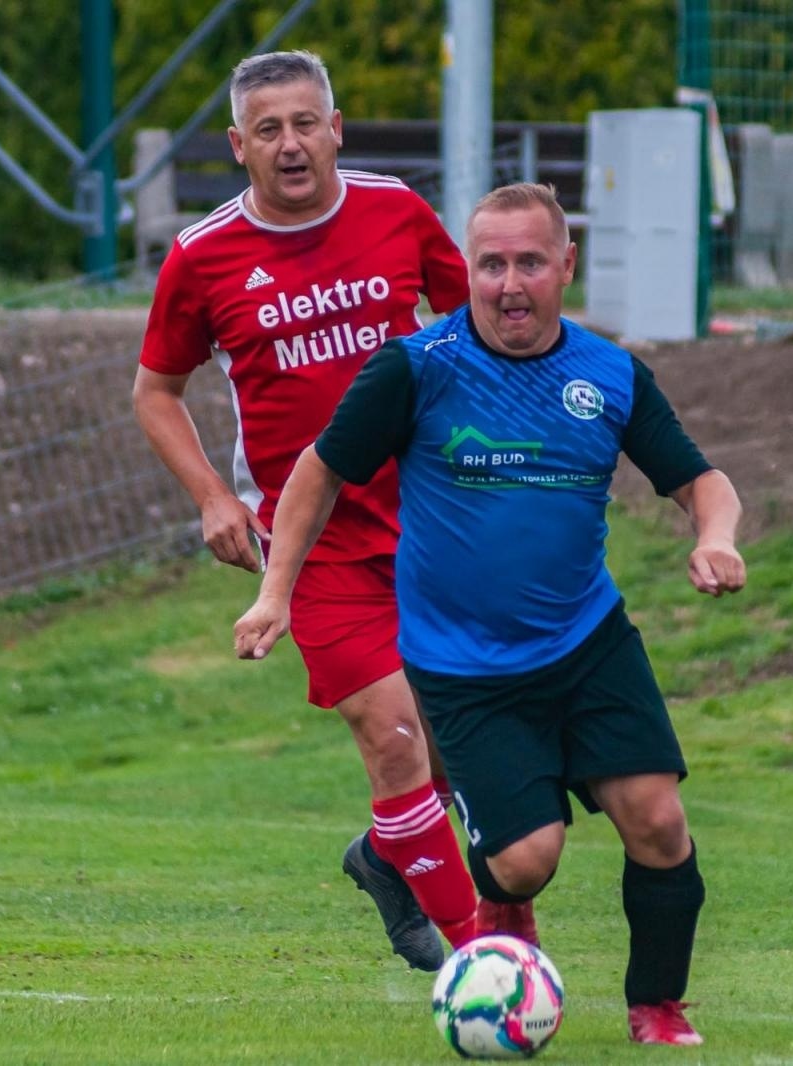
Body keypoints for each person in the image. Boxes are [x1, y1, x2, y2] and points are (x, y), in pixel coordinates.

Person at [234, 182, 745, 1047]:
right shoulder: (417, 368)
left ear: (566, 267)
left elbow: (700, 479)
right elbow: (317, 472)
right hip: (466, 670)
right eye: (491, 264)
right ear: (468, 269)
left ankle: (657, 1006)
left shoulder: (608, 373)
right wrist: (274, 591)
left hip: (588, 645)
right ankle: (501, 907)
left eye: (530, 263)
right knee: (526, 858)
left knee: (658, 822)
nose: (510, 283)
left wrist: (717, 535)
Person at [132, 49, 531, 969]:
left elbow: (480, 328)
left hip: (435, 528)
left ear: (336, 128)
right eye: (268, 129)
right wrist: (210, 498)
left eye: (306, 122)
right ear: (239, 146)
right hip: (308, 543)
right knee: (392, 738)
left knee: (440, 755)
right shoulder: (203, 257)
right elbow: (155, 392)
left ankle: (387, 855)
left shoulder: (395, 212)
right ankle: (481, 963)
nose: (291, 143)